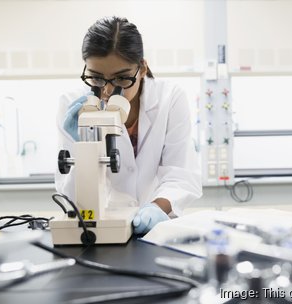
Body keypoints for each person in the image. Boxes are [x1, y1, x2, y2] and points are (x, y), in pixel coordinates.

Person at [55, 16, 202, 234]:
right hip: (100, 226)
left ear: (142, 69)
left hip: (156, 227)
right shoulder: (74, 106)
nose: (106, 91)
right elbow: (70, 194)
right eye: (96, 78)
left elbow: (180, 173)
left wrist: (155, 208)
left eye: (121, 79)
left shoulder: (170, 98)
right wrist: (83, 150)